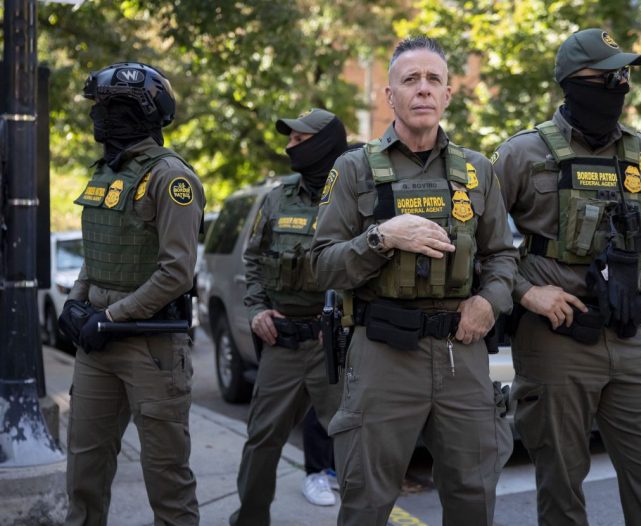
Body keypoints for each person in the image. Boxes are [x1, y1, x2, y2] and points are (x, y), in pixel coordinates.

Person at [491, 28, 641, 525]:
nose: (620, 86)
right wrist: (526, 292)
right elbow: (480, 241)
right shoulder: (521, 154)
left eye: (624, 76)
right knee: (561, 490)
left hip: (631, 336)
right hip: (556, 340)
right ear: (572, 82)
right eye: (607, 77)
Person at [311, 36, 518, 526]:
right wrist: (381, 237)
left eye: (433, 80)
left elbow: (502, 257)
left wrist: (489, 302)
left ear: (448, 95)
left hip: (460, 353)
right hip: (383, 353)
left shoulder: (477, 170)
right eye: (410, 80)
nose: (422, 89)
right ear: (390, 96)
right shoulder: (354, 168)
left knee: (473, 496)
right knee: (365, 501)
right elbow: (319, 264)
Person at [59, 62, 204, 525]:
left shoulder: (171, 178)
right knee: (84, 469)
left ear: (151, 114)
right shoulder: (105, 173)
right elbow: (97, 251)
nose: (106, 118)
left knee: (166, 479)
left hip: (150, 344)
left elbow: (176, 272)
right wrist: (77, 302)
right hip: (96, 342)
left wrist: (112, 316)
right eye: (103, 106)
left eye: (121, 107)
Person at [228, 108, 347, 525]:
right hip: (283, 341)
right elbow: (255, 259)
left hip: (334, 342)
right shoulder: (278, 197)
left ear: (325, 143)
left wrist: (346, 321)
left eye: (299, 140)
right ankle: (250, 519)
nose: (289, 147)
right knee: (262, 439)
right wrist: (257, 309)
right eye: (290, 140)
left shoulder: (355, 193)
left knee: (355, 446)